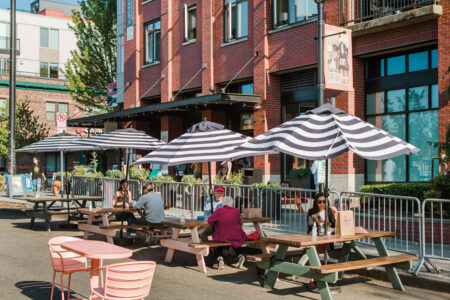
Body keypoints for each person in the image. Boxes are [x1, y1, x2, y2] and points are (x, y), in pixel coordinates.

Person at [306, 192, 337, 289]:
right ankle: (314, 278)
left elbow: (334, 225)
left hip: (326, 239)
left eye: (324, 201)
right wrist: (318, 223)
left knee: (312, 252)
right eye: (320, 202)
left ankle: (315, 278)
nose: (322, 204)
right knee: (311, 252)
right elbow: (310, 226)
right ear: (316, 202)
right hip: (314, 237)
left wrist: (334, 216)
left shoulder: (328, 211)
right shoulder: (311, 211)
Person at [207, 196, 247, 269]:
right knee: (235, 243)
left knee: (219, 243)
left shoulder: (219, 210)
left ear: (223, 203)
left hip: (222, 235)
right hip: (235, 235)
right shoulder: (236, 211)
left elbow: (210, 221)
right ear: (232, 203)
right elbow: (239, 221)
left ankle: (220, 259)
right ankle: (240, 255)